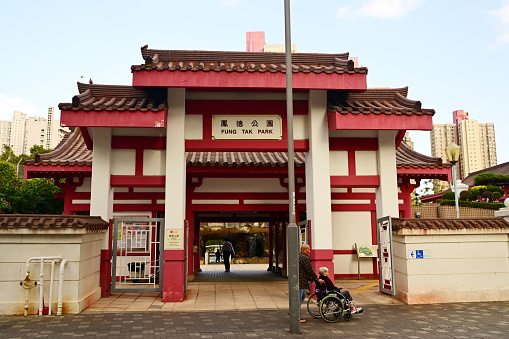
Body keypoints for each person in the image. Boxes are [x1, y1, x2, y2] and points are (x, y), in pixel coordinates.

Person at [299, 244, 323, 323]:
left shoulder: (300, 256)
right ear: (304, 250)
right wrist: (316, 279)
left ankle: (294, 311)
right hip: (300, 281)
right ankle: (296, 315)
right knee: (299, 298)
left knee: (302, 296)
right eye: (308, 250)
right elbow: (309, 270)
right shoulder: (304, 258)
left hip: (300, 280)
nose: (309, 251)